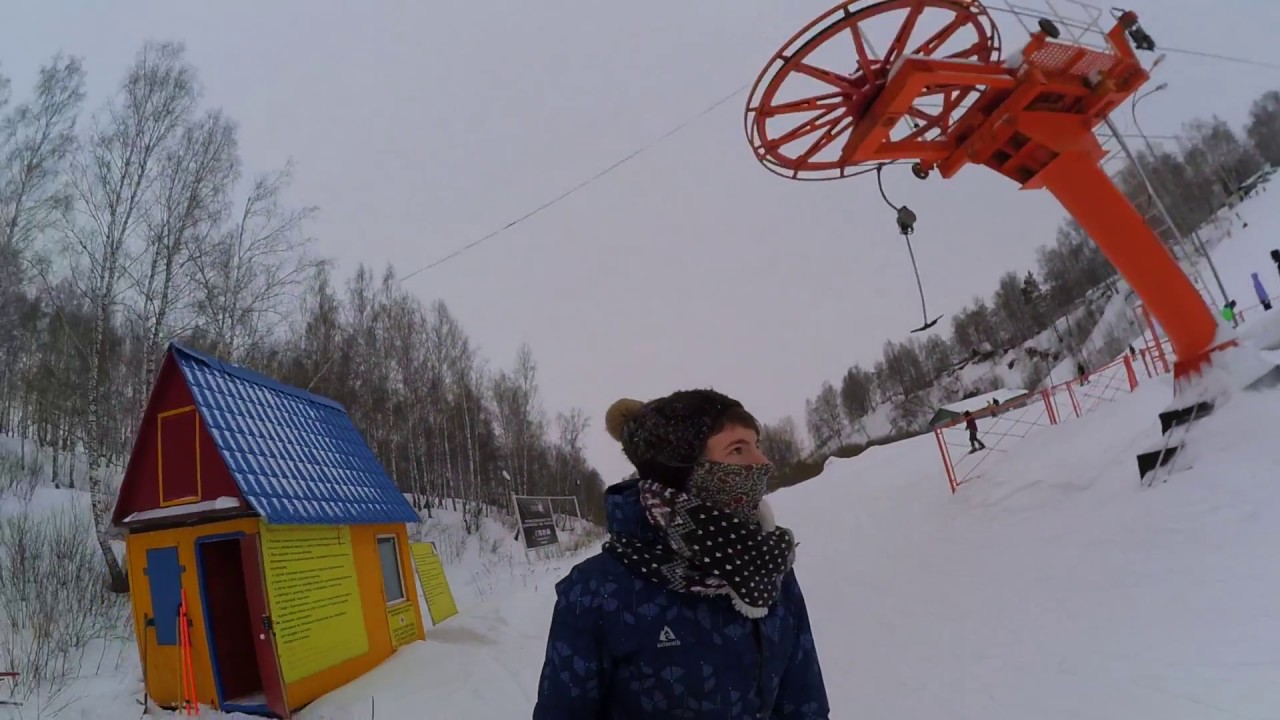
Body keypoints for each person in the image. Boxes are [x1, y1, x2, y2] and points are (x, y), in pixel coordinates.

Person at [532, 389, 830, 720]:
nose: (762, 462)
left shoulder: (768, 567)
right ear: (683, 473)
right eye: (737, 449)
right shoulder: (595, 592)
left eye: (756, 445)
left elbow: (805, 703)